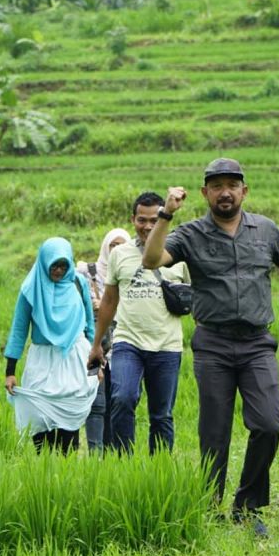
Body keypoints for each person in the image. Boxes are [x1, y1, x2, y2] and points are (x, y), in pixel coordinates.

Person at [141, 158, 279, 538]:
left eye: (232, 185)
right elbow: (152, 259)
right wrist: (166, 215)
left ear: (244, 191)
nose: (225, 192)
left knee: (268, 424)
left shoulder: (266, 230)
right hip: (213, 344)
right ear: (205, 192)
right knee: (214, 432)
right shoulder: (190, 233)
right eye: (216, 185)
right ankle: (209, 503)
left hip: (256, 344)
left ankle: (247, 507)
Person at [88, 192, 190, 455]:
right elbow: (109, 301)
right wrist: (97, 343)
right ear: (133, 220)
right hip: (127, 343)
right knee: (122, 399)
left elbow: (195, 296)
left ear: (164, 219)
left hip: (167, 345)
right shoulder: (120, 254)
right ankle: (124, 464)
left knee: (162, 415)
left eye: (154, 220)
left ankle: (158, 470)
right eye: (141, 220)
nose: (147, 226)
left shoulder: (178, 253)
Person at [4, 237, 99, 455]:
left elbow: (88, 325)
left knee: (70, 417)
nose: (58, 271)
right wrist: (10, 372)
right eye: (54, 265)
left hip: (74, 356)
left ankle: (66, 472)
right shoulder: (31, 288)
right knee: (39, 416)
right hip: (42, 360)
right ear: (44, 262)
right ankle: (44, 470)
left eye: (64, 265)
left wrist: (95, 365)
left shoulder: (77, 282)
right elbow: (19, 331)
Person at [76, 228, 131, 453]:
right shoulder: (87, 273)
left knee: (117, 399)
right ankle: (95, 452)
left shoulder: (131, 272)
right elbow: (75, 305)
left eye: (121, 245)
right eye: (112, 245)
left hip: (122, 344)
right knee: (95, 399)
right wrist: (93, 306)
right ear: (105, 247)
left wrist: (111, 308)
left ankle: (112, 451)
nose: (116, 250)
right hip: (95, 343)